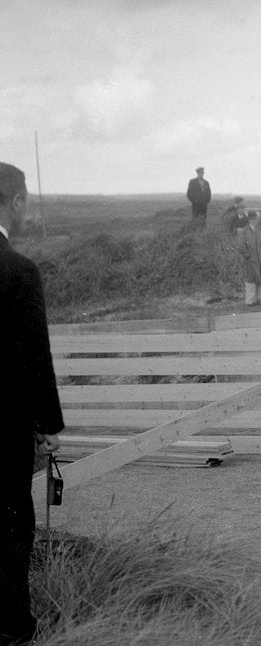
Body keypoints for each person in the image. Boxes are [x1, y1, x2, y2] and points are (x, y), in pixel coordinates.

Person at [0, 162, 65, 646]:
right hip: (1, 430)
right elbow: (32, 355)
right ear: (17, 202)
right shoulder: (17, 271)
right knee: (10, 529)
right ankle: (14, 630)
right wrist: (47, 423)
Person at [239, 210, 261, 304]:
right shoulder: (244, 231)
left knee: (260, 279)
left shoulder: (259, 230)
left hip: (260, 259)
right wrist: (248, 256)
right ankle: (250, 301)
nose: (254, 221)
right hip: (250, 261)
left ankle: (260, 300)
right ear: (249, 220)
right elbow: (241, 246)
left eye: (255, 219)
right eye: (252, 219)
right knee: (250, 280)